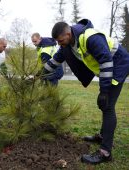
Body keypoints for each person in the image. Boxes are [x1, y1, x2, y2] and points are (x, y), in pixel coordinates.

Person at [43, 19, 129, 164]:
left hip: (117, 65)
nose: (59, 44)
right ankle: (102, 136)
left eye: (60, 40)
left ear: (68, 34)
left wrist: (104, 91)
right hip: (107, 68)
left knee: (107, 106)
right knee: (104, 105)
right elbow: (55, 61)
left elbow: (106, 61)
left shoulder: (90, 37)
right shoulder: (67, 44)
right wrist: (39, 75)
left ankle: (105, 153)